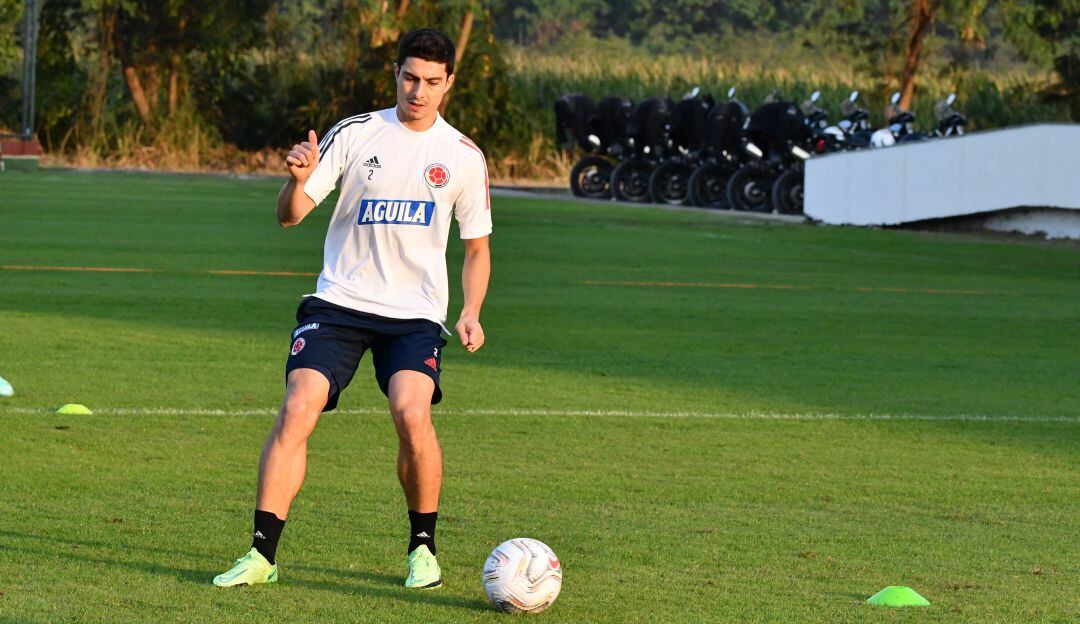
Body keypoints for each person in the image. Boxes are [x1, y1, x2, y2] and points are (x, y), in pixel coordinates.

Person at [213, 27, 491, 590]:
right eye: (410, 77)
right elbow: (290, 216)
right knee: (298, 406)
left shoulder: (463, 157)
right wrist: (294, 181)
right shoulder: (357, 133)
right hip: (339, 302)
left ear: (448, 84)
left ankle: (422, 550)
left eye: (431, 82)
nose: (418, 91)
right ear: (396, 73)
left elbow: (477, 248)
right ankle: (262, 556)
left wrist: (471, 310)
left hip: (414, 315)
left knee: (412, 414)